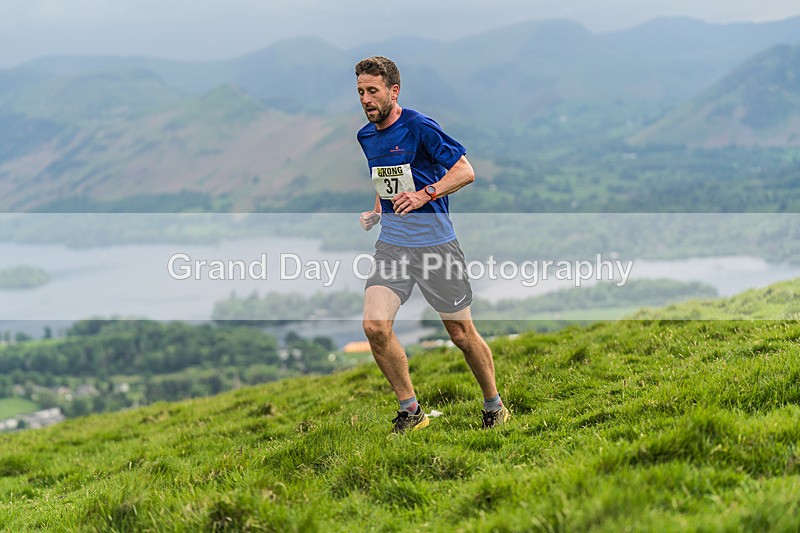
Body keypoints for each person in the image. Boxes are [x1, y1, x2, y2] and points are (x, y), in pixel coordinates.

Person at [354, 56, 510, 434]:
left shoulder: (419, 126)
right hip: (392, 245)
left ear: (394, 91)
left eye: (372, 91)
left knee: (461, 335)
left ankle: (495, 405)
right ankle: (412, 411)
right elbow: (387, 180)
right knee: (375, 327)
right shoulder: (366, 136)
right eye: (360, 92)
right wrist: (379, 208)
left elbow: (465, 171)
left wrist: (426, 195)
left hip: (436, 246)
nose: (365, 99)